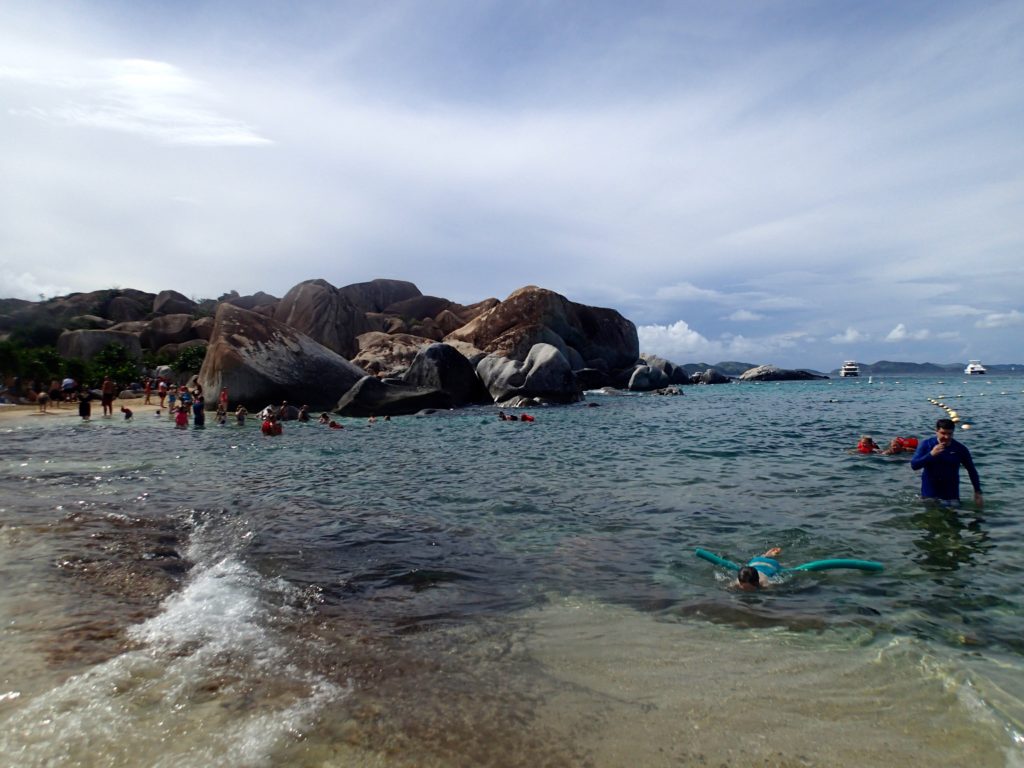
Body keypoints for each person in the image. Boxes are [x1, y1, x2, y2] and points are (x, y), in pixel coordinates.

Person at [911, 418, 983, 507]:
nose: (947, 437)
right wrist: (931, 454)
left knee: (954, 519)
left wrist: (977, 492)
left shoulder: (960, 449)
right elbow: (914, 465)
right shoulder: (927, 445)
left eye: (950, 434)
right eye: (943, 433)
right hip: (930, 495)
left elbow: (971, 470)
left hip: (952, 496)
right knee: (931, 519)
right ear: (936, 431)